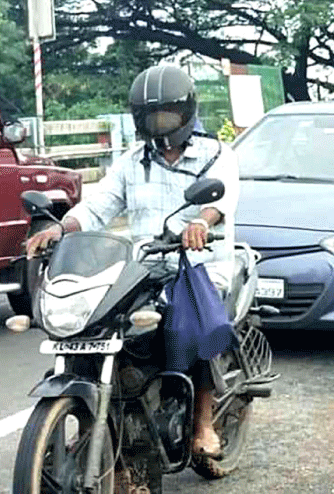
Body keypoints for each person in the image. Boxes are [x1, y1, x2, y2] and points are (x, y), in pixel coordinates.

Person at [26, 64, 240, 459]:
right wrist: (63, 228)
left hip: (198, 266)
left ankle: (204, 420)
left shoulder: (216, 155)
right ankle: (97, 416)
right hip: (145, 267)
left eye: (167, 116)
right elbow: (98, 205)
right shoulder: (130, 162)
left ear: (185, 112)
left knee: (189, 323)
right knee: (99, 321)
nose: (159, 125)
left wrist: (200, 222)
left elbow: (221, 202)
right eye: (150, 117)